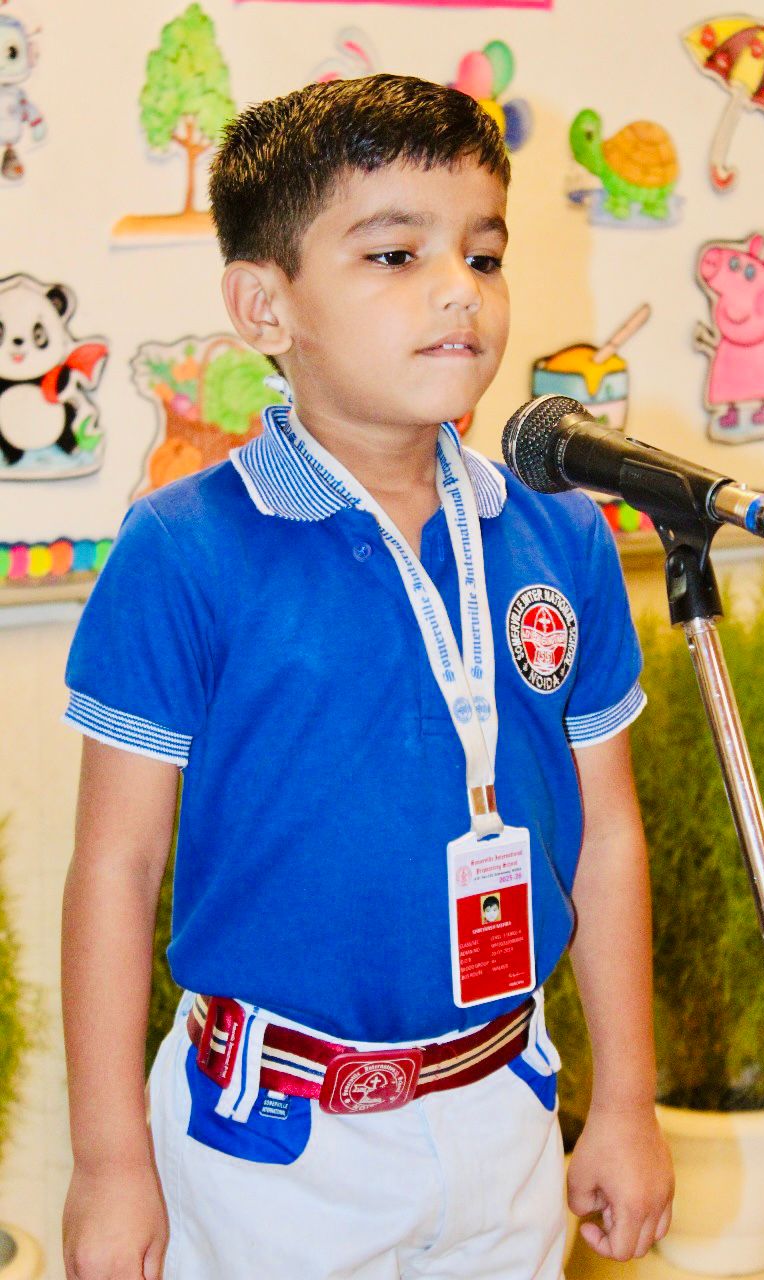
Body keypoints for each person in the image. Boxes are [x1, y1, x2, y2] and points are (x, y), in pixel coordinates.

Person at [60, 74, 674, 1280]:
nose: (459, 288)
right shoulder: (184, 547)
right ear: (264, 305)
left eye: (483, 254)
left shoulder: (560, 534)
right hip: (272, 1144)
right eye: (395, 254)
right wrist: (109, 1160)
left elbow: (606, 834)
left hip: (503, 1100)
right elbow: (115, 868)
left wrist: (626, 1101)